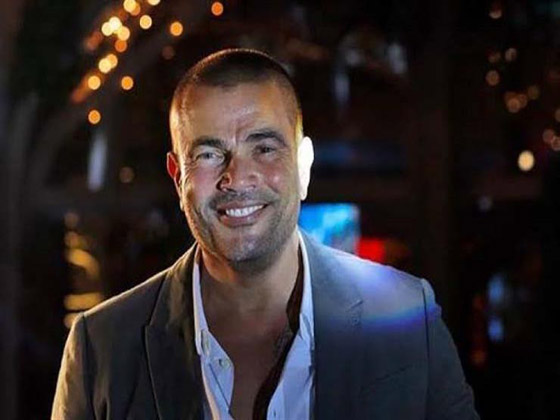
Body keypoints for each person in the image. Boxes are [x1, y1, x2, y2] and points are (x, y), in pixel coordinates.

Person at [52, 48, 479, 420]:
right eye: (209, 153)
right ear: (178, 176)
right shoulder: (102, 348)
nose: (237, 177)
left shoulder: (408, 319)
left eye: (264, 148)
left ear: (303, 166)